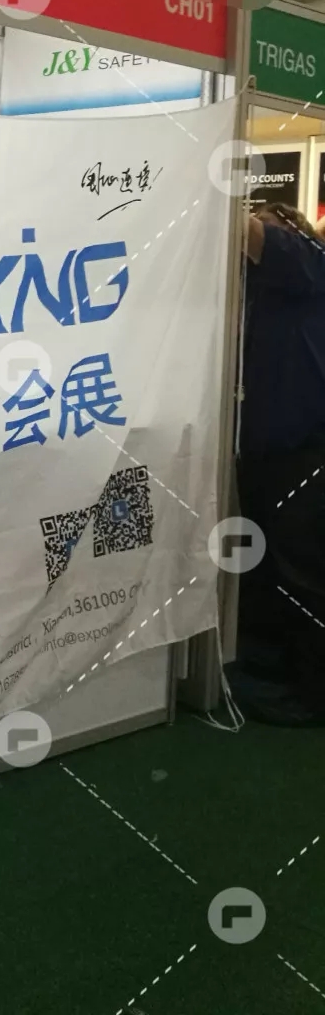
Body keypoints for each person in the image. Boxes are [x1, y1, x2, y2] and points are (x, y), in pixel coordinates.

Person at [235, 201, 325, 724]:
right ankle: (274, 669)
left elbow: (250, 234)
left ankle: (313, 695)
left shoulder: (308, 261)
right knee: (268, 566)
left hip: (305, 450)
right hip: (267, 451)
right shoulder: (262, 287)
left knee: (303, 572)